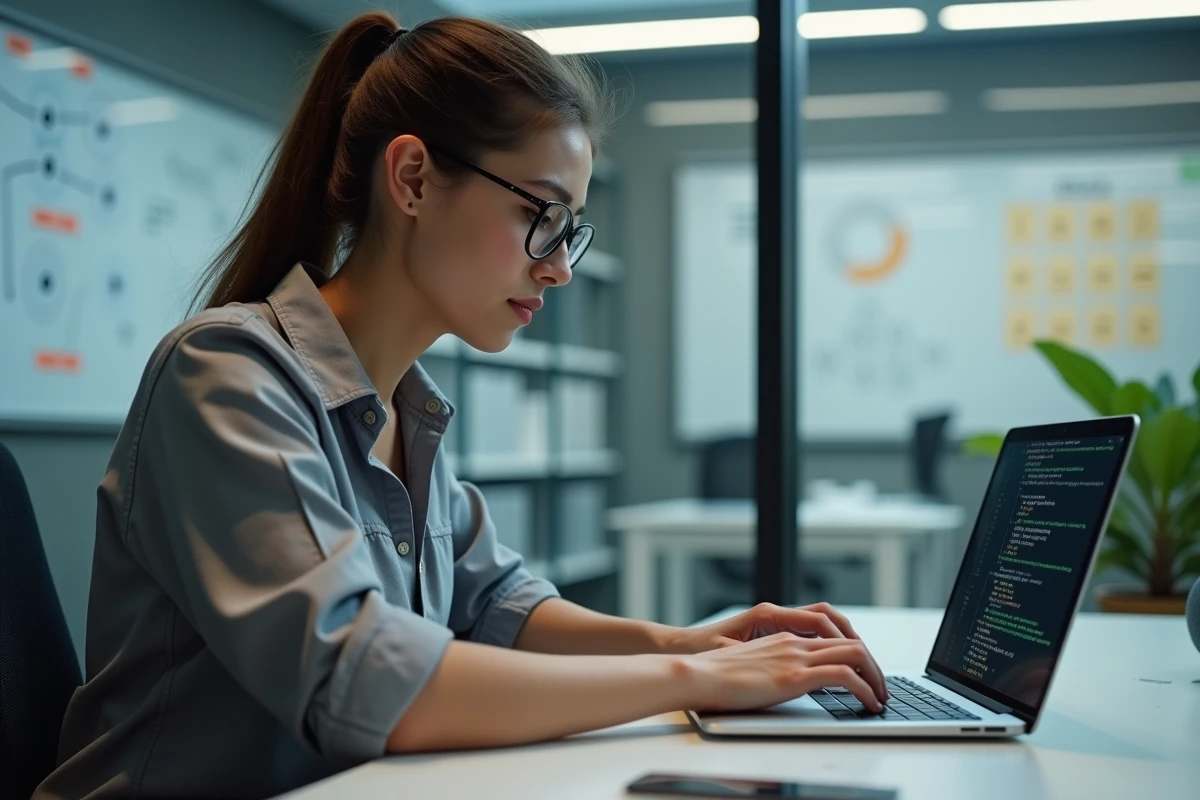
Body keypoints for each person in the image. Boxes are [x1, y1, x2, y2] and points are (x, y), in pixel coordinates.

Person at [35, 12, 887, 800]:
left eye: (571, 229)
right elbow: (362, 679)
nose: (558, 266)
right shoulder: (226, 375)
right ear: (411, 178)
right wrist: (697, 682)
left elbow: (498, 606)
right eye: (541, 214)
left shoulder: (409, 407)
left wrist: (689, 642)